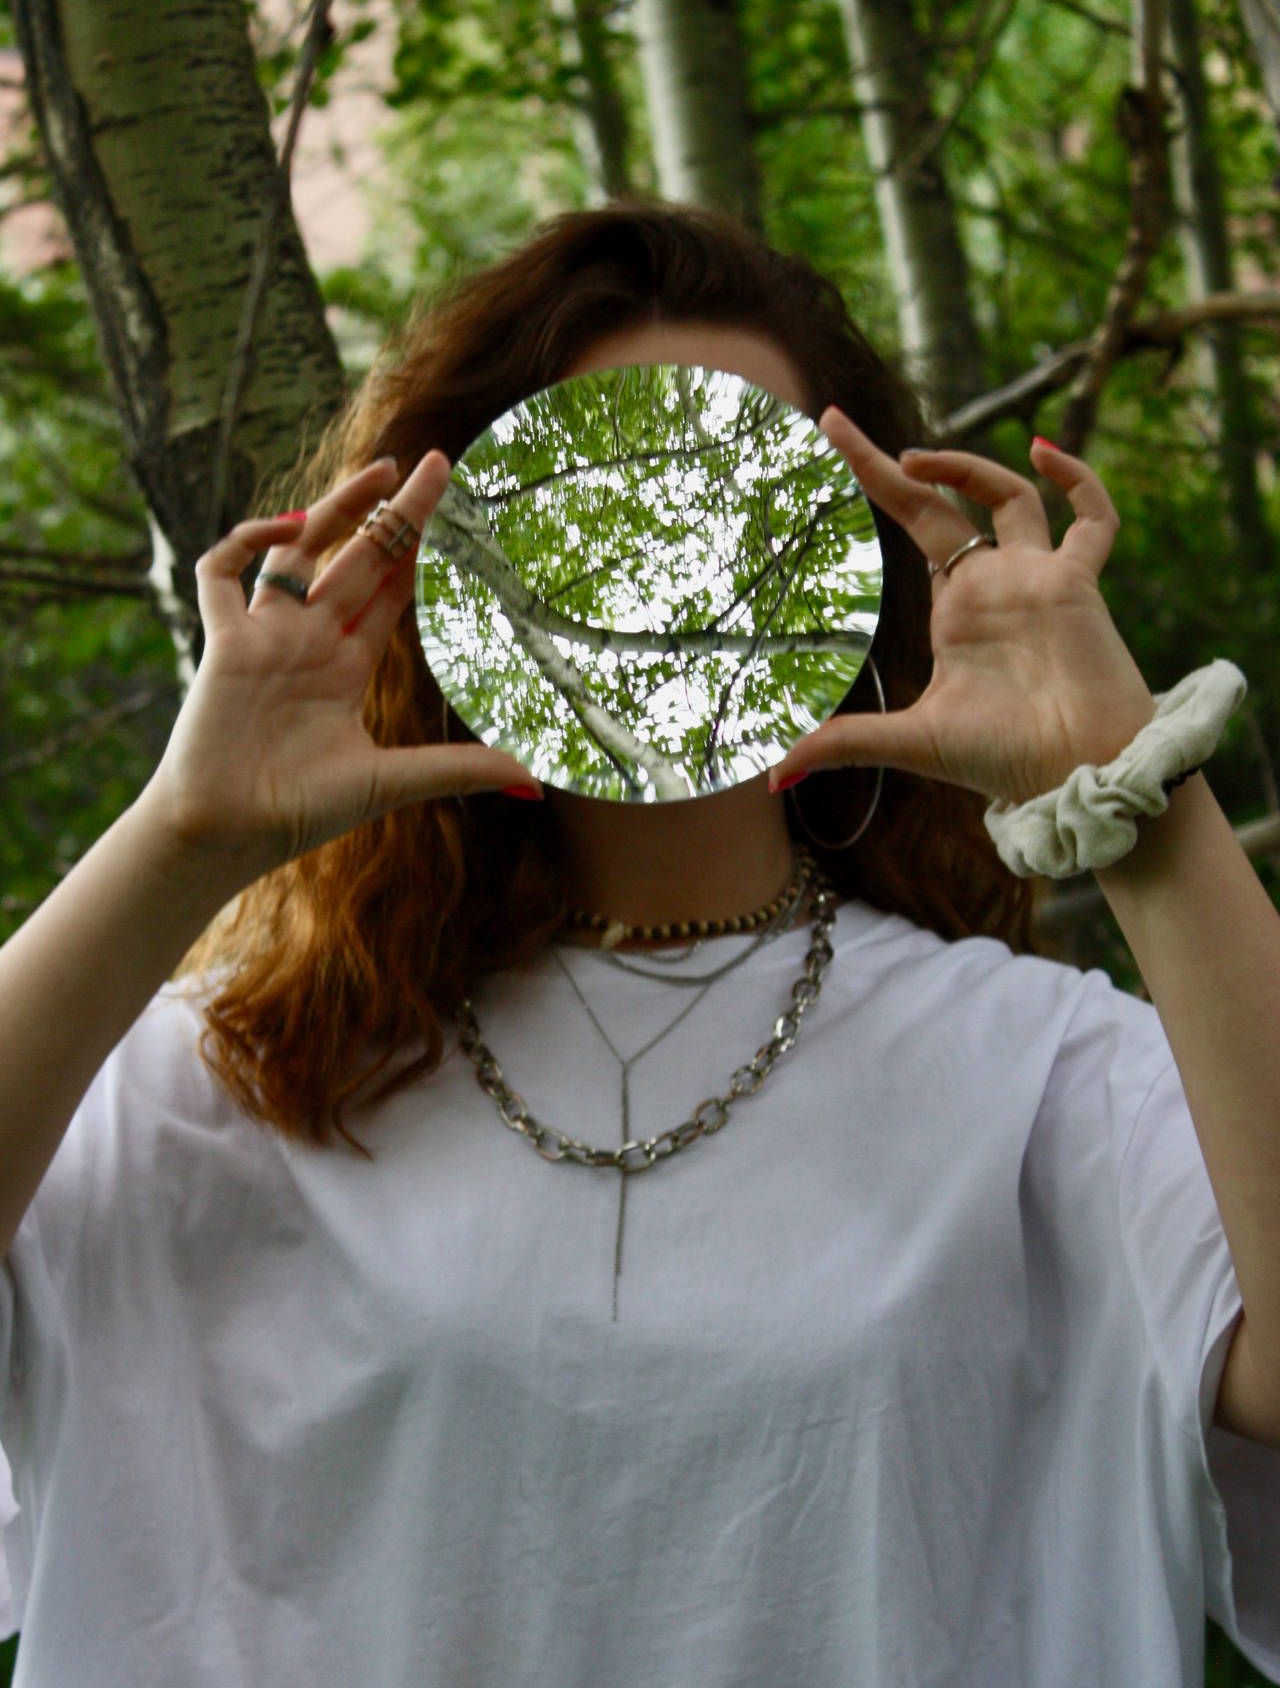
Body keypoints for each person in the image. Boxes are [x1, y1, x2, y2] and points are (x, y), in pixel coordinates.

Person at [1, 201, 1278, 1687]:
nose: (665, 560)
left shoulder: (1040, 1079)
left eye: (738, 489)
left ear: (852, 561)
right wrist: (179, 844)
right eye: (593, 490)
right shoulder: (230, 1076)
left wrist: (1128, 790)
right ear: (454, 560)